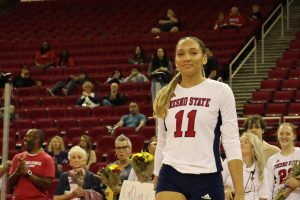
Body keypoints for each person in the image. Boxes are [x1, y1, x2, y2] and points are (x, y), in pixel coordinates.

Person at [153, 36, 244, 200]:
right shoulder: (164, 95)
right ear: (175, 60)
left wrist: (240, 191)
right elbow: (162, 141)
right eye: (181, 54)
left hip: (207, 175)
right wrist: (157, 175)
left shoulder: (221, 91)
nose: (186, 58)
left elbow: (231, 141)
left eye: (193, 53)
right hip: (171, 173)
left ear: (203, 58)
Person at [8, 129, 55, 199]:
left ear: (37, 140)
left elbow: (47, 184)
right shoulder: (17, 157)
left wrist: (28, 174)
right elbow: (10, 183)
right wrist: (17, 171)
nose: (25, 139)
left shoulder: (47, 159)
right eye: (25, 136)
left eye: (28, 136)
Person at [222, 132, 268, 200]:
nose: (241, 144)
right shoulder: (229, 162)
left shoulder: (261, 169)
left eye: (246, 142)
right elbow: (216, 184)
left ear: (253, 147)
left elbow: (263, 197)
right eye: (240, 141)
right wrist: (225, 189)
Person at [266, 123, 300, 199]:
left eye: (288, 134)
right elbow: (269, 187)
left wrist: (297, 183)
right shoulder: (271, 160)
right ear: (277, 136)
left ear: (294, 136)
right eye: (281, 134)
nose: (284, 136)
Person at [107, 134, 133, 199]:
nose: (121, 150)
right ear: (115, 150)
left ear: (130, 149)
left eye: (124, 147)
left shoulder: (138, 167)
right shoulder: (110, 167)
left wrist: (123, 189)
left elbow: (142, 188)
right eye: (118, 148)